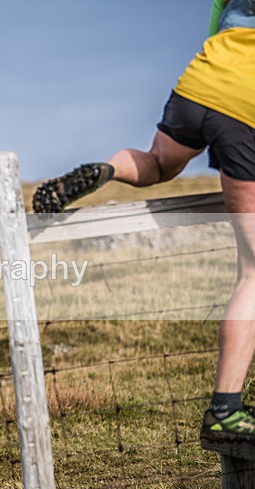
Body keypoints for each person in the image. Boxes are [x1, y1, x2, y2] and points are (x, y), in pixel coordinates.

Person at [32, 1, 255, 445]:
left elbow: (213, 31)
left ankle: (107, 170)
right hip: (244, 101)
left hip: (200, 84)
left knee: (158, 163)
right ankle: (226, 408)